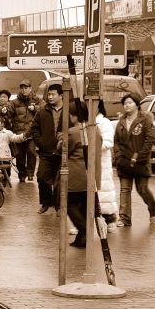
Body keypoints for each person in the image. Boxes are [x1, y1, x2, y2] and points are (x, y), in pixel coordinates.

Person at [114, 92, 155, 227]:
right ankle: (124, 218)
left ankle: (154, 210)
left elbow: (149, 140)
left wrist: (139, 157)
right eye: (125, 103)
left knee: (142, 189)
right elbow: (116, 142)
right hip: (124, 162)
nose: (127, 105)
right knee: (125, 190)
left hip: (141, 163)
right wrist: (118, 156)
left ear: (137, 104)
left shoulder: (145, 119)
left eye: (130, 103)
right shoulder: (121, 121)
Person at [31, 83, 64, 214]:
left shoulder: (68, 110)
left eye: (53, 94)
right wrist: (40, 142)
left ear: (61, 96)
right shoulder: (42, 111)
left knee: (60, 181)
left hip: (62, 153)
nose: (50, 97)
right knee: (41, 177)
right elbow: (34, 128)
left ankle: (59, 205)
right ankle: (46, 202)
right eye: (48, 94)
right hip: (46, 151)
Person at [63, 102, 89, 248]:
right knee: (83, 205)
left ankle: (85, 230)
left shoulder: (73, 132)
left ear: (74, 116)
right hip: (89, 173)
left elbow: (65, 150)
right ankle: (82, 238)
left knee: (69, 203)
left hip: (75, 174)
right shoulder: (93, 129)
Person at [10, 79, 43, 182]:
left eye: (26, 88)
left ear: (30, 88)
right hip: (19, 133)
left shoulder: (37, 99)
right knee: (20, 155)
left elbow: (44, 108)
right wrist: (4, 110)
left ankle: (30, 173)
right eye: (22, 88)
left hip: (32, 132)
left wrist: (35, 108)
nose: (24, 90)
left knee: (31, 152)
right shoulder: (14, 102)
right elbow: (9, 113)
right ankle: (22, 174)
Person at [95, 101, 118, 231]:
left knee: (104, 192)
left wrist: (95, 147)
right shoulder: (84, 121)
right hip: (86, 161)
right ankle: (84, 222)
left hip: (102, 161)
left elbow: (109, 142)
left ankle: (110, 218)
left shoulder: (105, 122)